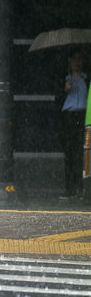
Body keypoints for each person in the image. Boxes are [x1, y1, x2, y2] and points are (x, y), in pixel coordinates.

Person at [58, 50, 89, 199]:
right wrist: (65, 89)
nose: (77, 63)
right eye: (74, 60)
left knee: (81, 154)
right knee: (70, 153)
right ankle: (70, 188)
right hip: (69, 117)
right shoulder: (65, 80)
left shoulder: (86, 79)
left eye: (79, 59)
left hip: (82, 116)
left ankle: (80, 188)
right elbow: (57, 100)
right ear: (69, 62)